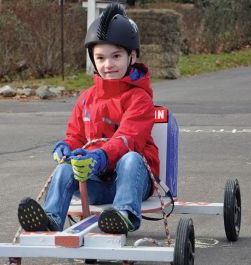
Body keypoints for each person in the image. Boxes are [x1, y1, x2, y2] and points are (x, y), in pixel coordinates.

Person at [17, 2, 159, 234]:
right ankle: (51, 220)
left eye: (116, 56)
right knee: (65, 168)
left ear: (132, 56)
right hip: (95, 183)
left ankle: (124, 215)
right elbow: (76, 136)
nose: (108, 64)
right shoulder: (86, 99)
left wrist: (100, 157)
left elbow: (128, 139)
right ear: (93, 60)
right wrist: (65, 147)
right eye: (101, 58)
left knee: (132, 158)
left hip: (133, 183)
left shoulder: (140, 99)